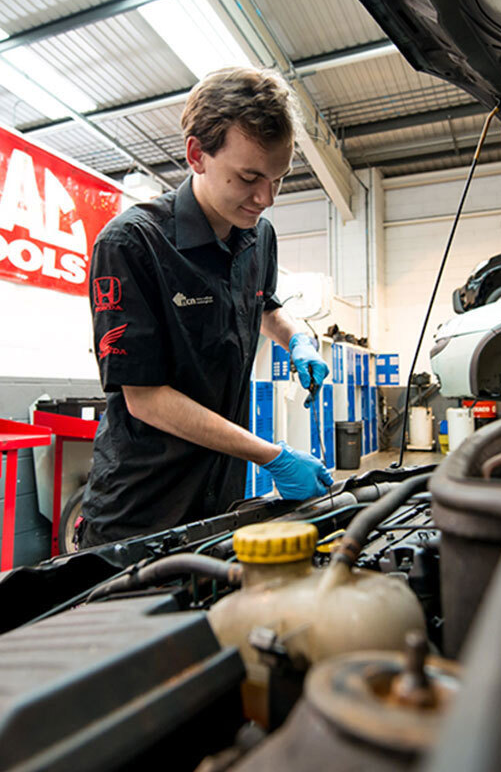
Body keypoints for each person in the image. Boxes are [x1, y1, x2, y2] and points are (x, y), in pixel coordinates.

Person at [74, 66, 333, 549]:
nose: (266, 199)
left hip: (221, 499)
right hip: (142, 510)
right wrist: (273, 457)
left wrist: (296, 338)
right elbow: (145, 397)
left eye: (278, 179)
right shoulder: (132, 244)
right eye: (250, 177)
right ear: (198, 154)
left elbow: (264, 304)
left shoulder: (258, 234)